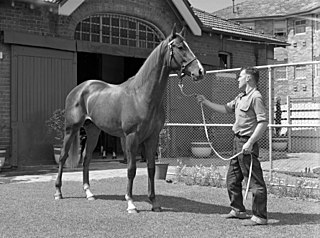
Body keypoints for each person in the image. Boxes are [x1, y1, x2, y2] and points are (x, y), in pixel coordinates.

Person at [196, 67, 268, 226]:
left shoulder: (256, 97)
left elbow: (263, 122)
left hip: (246, 143)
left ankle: (260, 216)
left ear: (248, 78)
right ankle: (238, 210)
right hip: (237, 142)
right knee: (232, 179)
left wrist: (250, 142)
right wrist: (205, 101)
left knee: (255, 181)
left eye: (240, 76)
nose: (238, 79)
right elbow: (226, 109)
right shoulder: (241, 96)